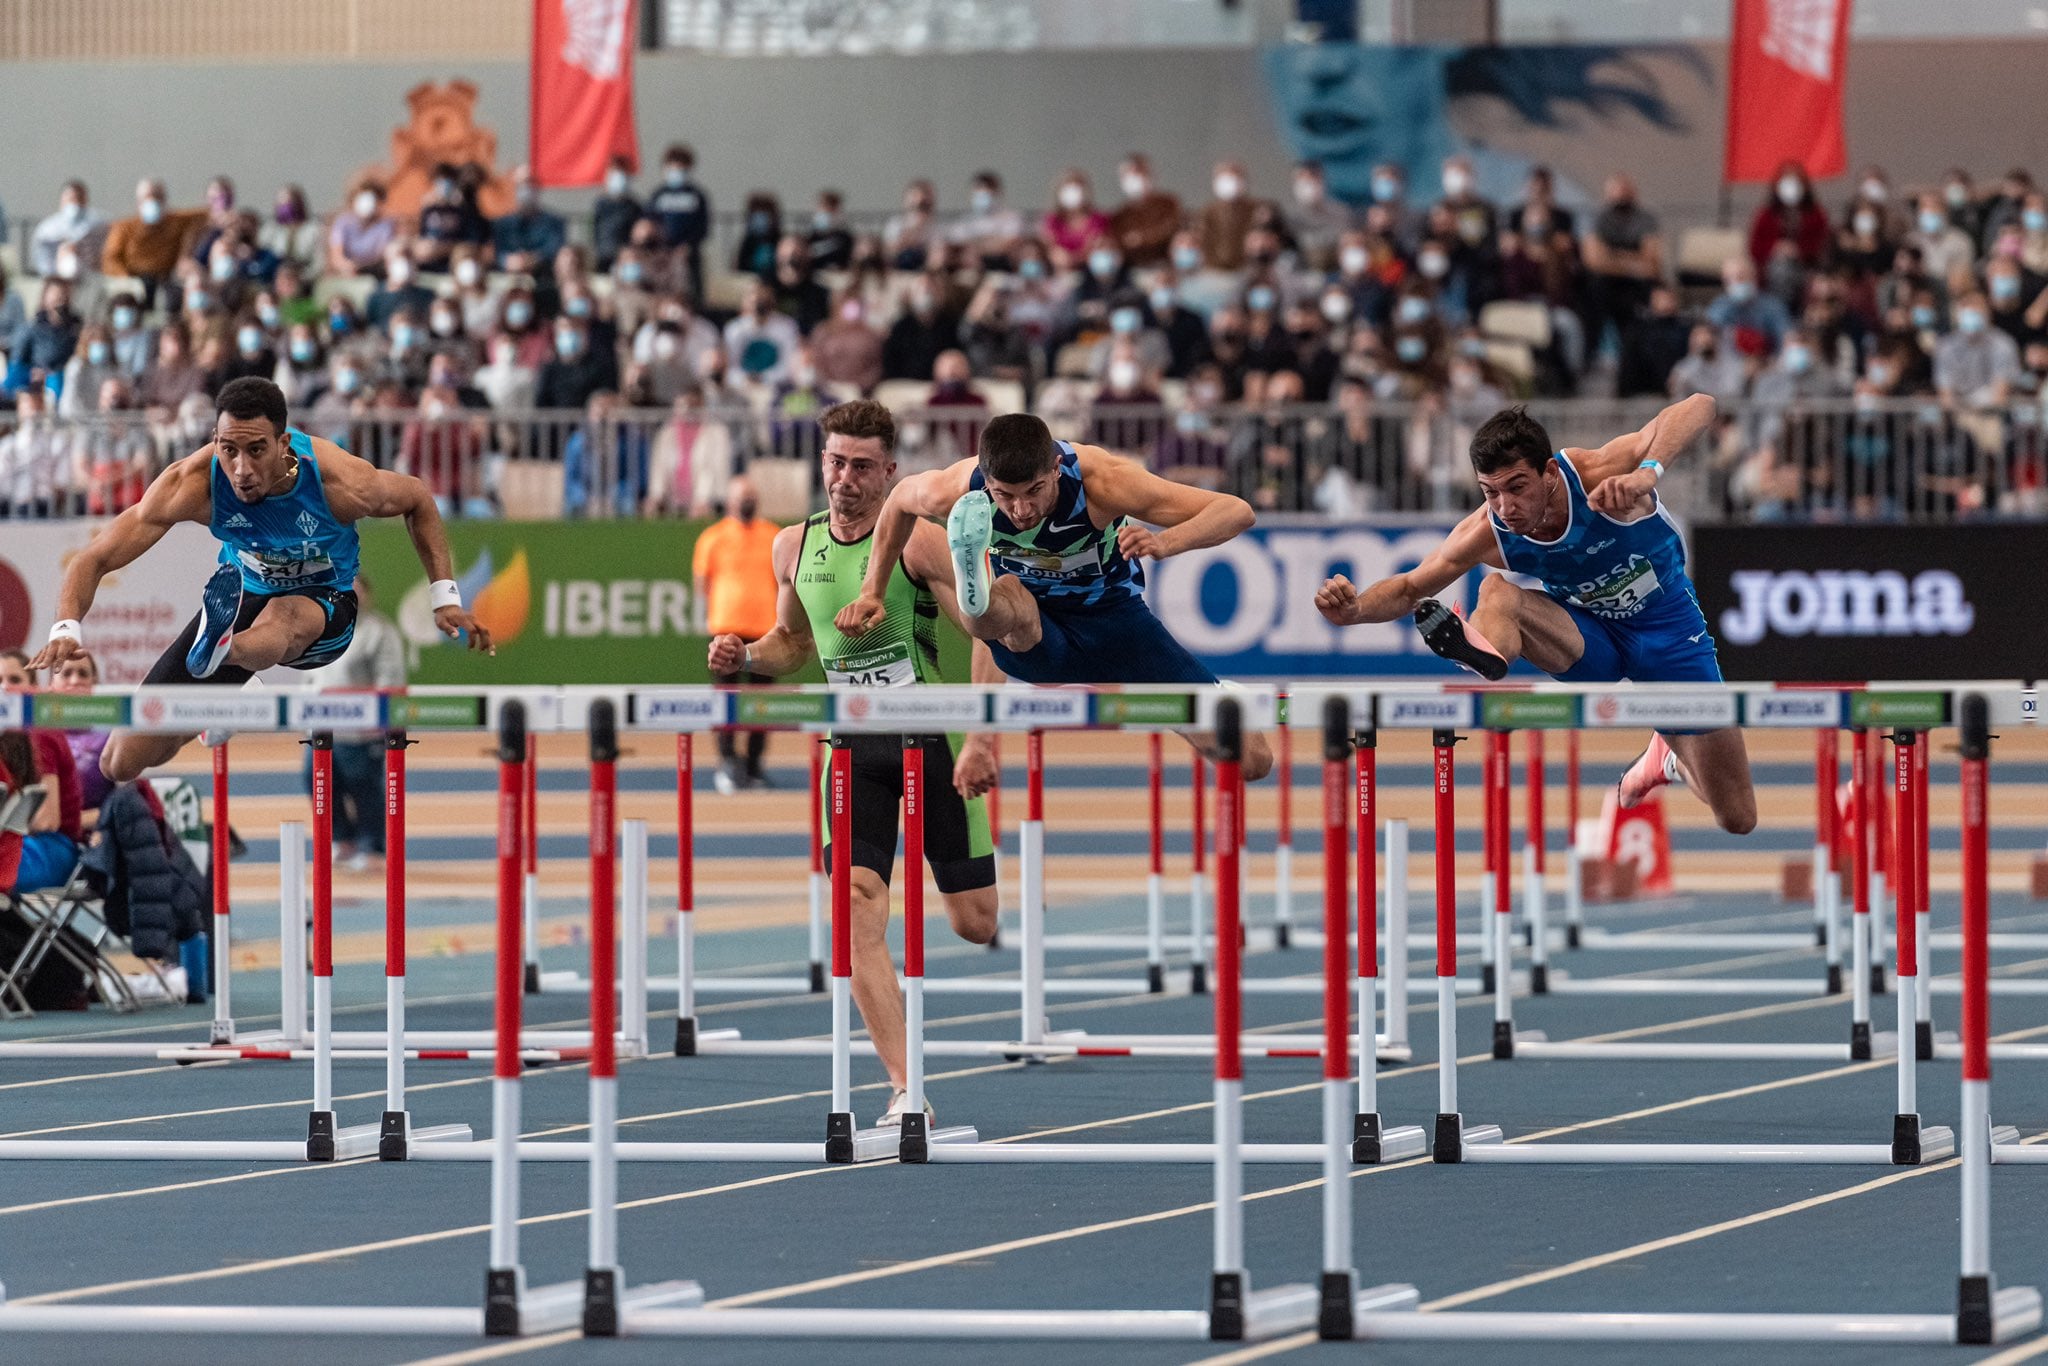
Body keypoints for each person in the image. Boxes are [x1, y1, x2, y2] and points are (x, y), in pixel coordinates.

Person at [705, 400, 998, 1126]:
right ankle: (906, 1090)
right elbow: (793, 645)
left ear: (890, 472)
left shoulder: (920, 544)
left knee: (976, 923)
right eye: (835, 461)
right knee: (857, 908)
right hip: (853, 749)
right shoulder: (791, 547)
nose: (845, 477)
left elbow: (989, 630)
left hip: (935, 740)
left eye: (862, 466)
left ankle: (910, 1070)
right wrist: (746, 656)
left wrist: (983, 734)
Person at [1312, 399, 1757, 835]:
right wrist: (1354, 611)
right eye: (1491, 492)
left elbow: (1700, 405)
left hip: (1670, 634)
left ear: (1548, 473)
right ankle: (1484, 652)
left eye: (1517, 487)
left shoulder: (1595, 474)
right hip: (1588, 640)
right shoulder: (1489, 530)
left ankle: (1668, 758)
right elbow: (1410, 587)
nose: (1505, 506)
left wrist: (1646, 474)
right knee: (1496, 591)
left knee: (1736, 816)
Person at [27, 377, 492, 786]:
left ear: (283, 443)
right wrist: (66, 628)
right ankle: (225, 685)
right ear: (214, 440)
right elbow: (94, 558)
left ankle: (226, 658)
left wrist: (444, 595)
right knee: (120, 762)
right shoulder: (192, 483)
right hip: (244, 595)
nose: (241, 469)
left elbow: (418, 499)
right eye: (228, 450)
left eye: (256, 451)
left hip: (324, 602)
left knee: (284, 618)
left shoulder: (339, 482)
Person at [837, 413, 1274, 780]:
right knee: (1005, 601)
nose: (1021, 510)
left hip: (1116, 621)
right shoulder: (957, 488)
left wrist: (1167, 542)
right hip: (1035, 627)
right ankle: (975, 587)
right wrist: (871, 590)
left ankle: (1175, 710)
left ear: (1053, 470)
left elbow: (1236, 510)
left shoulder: (1103, 481)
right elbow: (897, 502)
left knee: (1253, 761)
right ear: (987, 481)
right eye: (1004, 496)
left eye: (1033, 492)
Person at [297, 573, 406, 872]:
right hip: (321, 727)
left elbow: (391, 680)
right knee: (316, 781)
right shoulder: (319, 630)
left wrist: (380, 720)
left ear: (368, 596)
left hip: (361, 731)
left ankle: (373, 847)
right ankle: (342, 841)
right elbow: (310, 676)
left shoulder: (379, 633)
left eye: (357, 591)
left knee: (364, 787)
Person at [692, 475, 780, 794]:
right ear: (729, 500)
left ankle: (754, 765)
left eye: (752, 495)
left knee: (762, 703)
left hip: (765, 632)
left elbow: (786, 582)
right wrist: (711, 616)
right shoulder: (712, 538)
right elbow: (702, 582)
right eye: (742, 496)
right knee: (726, 702)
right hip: (726, 630)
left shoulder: (773, 535)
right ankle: (728, 762)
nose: (747, 501)